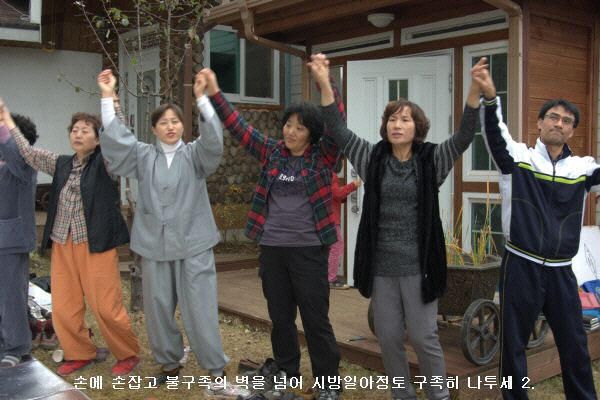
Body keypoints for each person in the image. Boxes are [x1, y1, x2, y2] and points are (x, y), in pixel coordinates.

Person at [315, 53, 484, 400]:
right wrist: (324, 82)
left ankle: (438, 395)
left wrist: (474, 90)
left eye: (405, 119)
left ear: (417, 128)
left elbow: (465, 136)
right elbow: (339, 131)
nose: (397, 124)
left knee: (423, 337)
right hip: (382, 267)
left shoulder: (432, 159)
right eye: (392, 119)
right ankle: (402, 394)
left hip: (419, 267)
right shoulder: (372, 157)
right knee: (389, 337)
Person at [97, 70, 249, 398]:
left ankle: (215, 372)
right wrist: (107, 96)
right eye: (163, 122)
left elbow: (213, 143)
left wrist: (202, 99)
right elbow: (117, 142)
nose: (170, 127)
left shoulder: (194, 155)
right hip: (154, 245)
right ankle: (169, 362)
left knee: (200, 309)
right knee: (157, 308)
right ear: (154, 129)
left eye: (175, 121)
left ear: (183, 126)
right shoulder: (142, 156)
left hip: (194, 244)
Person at [200, 64, 344, 400]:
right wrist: (215, 92)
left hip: (309, 251)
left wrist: (325, 83)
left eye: (299, 127)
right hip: (273, 250)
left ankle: (328, 383)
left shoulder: (323, 157)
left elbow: (337, 124)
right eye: (288, 125)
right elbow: (239, 127)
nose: (290, 132)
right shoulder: (272, 152)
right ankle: (287, 372)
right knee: (280, 318)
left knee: (315, 320)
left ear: (312, 133)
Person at [474, 58, 599, 400]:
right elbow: (495, 134)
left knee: (574, 344)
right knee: (513, 345)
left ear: (572, 131)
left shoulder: (583, 168)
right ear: (540, 123)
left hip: (561, 271)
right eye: (553, 117)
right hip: (520, 265)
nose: (559, 123)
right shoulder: (518, 158)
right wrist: (490, 97)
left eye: (567, 121)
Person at [1, 100, 140, 376]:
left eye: (85, 131)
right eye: (75, 130)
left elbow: (119, 143)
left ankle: (127, 353)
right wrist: (7, 120)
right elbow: (28, 153)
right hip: (62, 243)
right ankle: (79, 352)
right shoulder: (61, 164)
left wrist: (113, 108)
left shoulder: (105, 164)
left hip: (95, 244)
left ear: (98, 140)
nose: (78, 134)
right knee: (64, 306)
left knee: (105, 306)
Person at [0, 102, 37, 368]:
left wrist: (4, 122)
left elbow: (14, 151)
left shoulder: (24, 163)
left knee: (11, 294)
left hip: (11, 239)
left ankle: (17, 348)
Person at [329, 162, 360, 290]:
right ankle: (331, 279)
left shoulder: (324, 173)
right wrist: (354, 185)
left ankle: (327, 277)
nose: (342, 163)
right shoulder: (332, 175)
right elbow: (337, 193)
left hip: (325, 218)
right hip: (331, 218)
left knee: (329, 248)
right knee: (336, 247)